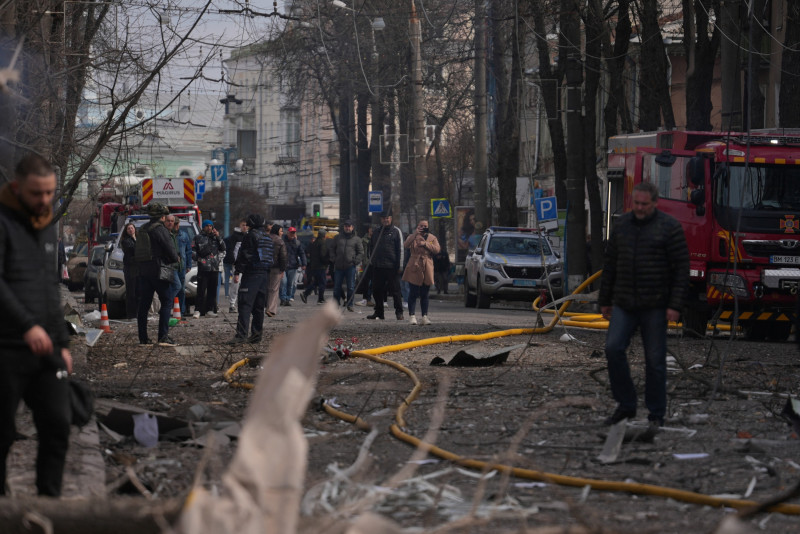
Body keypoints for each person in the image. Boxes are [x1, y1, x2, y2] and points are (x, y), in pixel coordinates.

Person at [0, 153, 73, 497]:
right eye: (36, 193)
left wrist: (62, 344)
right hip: (6, 347)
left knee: (58, 423)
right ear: (17, 188)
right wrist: (27, 325)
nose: (44, 200)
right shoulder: (3, 222)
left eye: (49, 193)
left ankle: (49, 504)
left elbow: (48, 288)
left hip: (46, 350)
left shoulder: (45, 226)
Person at [599, 181, 689, 429]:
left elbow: (682, 269)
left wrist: (675, 305)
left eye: (644, 204)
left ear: (654, 203)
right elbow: (611, 265)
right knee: (613, 349)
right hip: (624, 302)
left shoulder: (669, 228)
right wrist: (605, 300)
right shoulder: (622, 225)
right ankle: (626, 404)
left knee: (655, 361)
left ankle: (656, 414)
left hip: (655, 305)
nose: (639, 208)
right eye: (636, 203)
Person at [136, 202, 180, 346]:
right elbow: (171, 251)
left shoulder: (143, 228)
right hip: (159, 271)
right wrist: (175, 259)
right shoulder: (160, 230)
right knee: (167, 301)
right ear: (162, 216)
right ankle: (163, 336)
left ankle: (143, 338)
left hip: (144, 271)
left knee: (144, 305)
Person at [230, 214, 272, 344]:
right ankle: (256, 336)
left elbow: (245, 255)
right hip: (264, 275)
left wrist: (238, 271)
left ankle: (241, 335)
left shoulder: (250, 236)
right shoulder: (267, 237)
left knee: (245, 305)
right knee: (259, 307)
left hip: (252, 274)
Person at [367, 212, 404, 320]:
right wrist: (371, 261)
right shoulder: (376, 232)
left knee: (396, 291)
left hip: (392, 266)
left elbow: (400, 249)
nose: (385, 220)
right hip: (378, 266)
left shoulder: (396, 231)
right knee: (376, 290)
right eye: (383, 218)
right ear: (380, 219)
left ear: (391, 219)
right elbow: (371, 248)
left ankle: (399, 312)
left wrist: (400, 266)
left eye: (387, 218)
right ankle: (379, 312)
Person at [402, 220, 440, 325]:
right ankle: (412, 315)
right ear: (417, 226)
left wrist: (425, 244)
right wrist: (415, 234)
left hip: (427, 265)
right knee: (413, 292)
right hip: (414, 264)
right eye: (421, 226)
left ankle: (424, 316)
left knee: (425, 293)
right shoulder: (413, 236)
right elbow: (406, 244)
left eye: (425, 226)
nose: (423, 227)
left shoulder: (432, 238)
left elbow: (437, 249)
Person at [192, 219, 225, 318]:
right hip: (203, 268)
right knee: (201, 290)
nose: (209, 228)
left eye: (211, 226)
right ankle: (198, 310)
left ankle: (210, 310)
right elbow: (193, 251)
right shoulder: (198, 238)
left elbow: (223, 248)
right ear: (203, 227)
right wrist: (199, 259)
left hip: (214, 268)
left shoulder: (216, 238)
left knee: (212, 290)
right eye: (207, 226)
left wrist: (218, 236)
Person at [331, 219, 364, 312]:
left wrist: (355, 261)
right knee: (337, 287)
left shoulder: (357, 239)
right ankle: (335, 304)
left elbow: (361, 252)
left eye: (349, 226)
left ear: (352, 227)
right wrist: (334, 259)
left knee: (351, 287)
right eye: (346, 226)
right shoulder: (337, 238)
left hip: (350, 267)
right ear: (343, 227)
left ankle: (350, 304)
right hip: (338, 267)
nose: (347, 228)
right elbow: (332, 249)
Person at [300, 227, 330, 304]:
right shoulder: (322, 243)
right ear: (324, 236)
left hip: (314, 266)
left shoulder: (314, 243)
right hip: (321, 266)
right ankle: (320, 299)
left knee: (316, 282)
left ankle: (305, 294)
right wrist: (328, 261)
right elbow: (323, 255)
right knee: (322, 283)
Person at [224, 220, 247, 311]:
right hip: (237, 263)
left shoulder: (248, 236)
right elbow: (231, 250)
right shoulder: (234, 237)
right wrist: (233, 261)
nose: (245, 227)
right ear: (240, 226)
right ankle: (232, 303)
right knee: (235, 283)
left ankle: (242, 302)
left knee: (244, 284)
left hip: (246, 264)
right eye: (243, 225)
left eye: (246, 225)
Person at [280, 226, 306, 306]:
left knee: (290, 284)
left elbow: (302, 253)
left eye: (293, 233)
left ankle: (287, 299)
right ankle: (283, 299)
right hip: (283, 266)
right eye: (291, 232)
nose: (292, 234)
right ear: (287, 233)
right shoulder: (282, 241)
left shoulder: (297, 243)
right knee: (283, 283)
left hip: (293, 266)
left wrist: (304, 263)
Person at [266, 224, 287, 317]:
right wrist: (282, 269)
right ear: (278, 231)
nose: (282, 233)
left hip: (265, 267)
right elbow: (283, 257)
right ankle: (271, 309)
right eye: (281, 231)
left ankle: (263, 306)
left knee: (266, 288)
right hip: (276, 268)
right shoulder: (280, 241)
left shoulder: (266, 238)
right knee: (274, 289)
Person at [120, 222, 139, 319]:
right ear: (126, 231)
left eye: (132, 228)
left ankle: (138, 312)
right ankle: (131, 314)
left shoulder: (139, 239)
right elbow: (133, 249)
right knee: (131, 292)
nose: (131, 230)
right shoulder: (126, 241)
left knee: (138, 291)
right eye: (128, 229)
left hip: (139, 269)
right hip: (130, 269)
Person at [175, 218, 192, 316]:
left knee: (181, 289)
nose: (176, 226)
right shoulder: (168, 235)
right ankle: (171, 309)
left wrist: (189, 265)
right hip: (171, 267)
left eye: (177, 224)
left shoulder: (184, 235)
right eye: (175, 223)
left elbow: (188, 251)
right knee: (174, 288)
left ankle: (181, 310)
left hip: (182, 266)